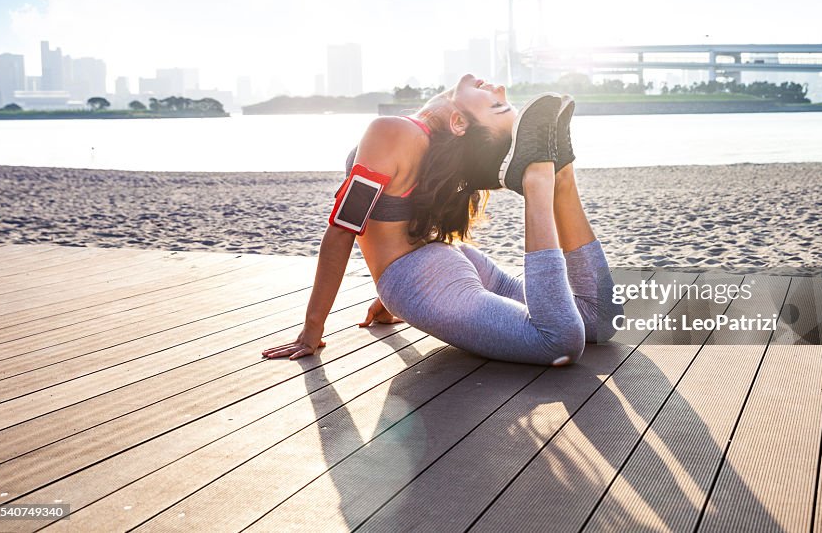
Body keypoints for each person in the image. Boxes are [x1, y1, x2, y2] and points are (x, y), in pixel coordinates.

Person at [261, 74, 622, 366]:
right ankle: (562, 179)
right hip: (441, 266)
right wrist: (393, 296)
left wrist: (311, 330)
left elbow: (342, 231)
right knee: (601, 318)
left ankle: (543, 180)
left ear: (458, 121)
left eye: (498, 105)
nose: (499, 87)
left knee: (560, 340)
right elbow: (401, 222)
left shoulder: (393, 131)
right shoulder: (428, 142)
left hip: (422, 276)